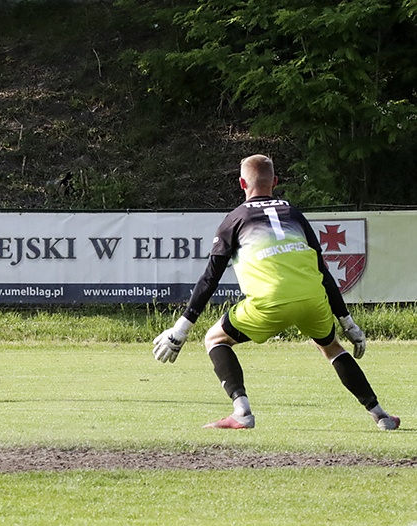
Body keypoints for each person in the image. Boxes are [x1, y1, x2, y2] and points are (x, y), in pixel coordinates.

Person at [152, 154, 399, 431]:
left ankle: (241, 412)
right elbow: (323, 271)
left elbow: (211, 277)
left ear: (242, 183)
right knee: (331, 348)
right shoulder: (294, 214)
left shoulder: (235, 219)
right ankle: (380, 414)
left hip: (269, 303)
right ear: (276, 182)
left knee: (215, 339)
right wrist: (347, 322)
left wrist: (181, 329)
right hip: (312, 298)